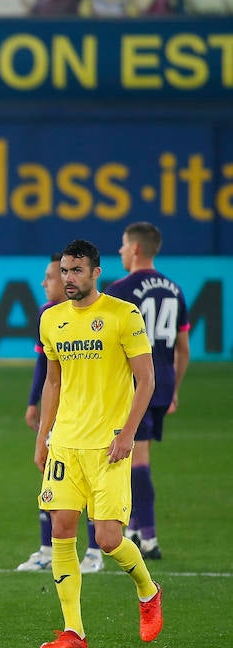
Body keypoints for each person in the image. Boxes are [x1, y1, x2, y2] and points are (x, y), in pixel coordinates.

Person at [33, 239, 162, 648]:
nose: (68, 279)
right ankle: (74, 630)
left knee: (107, 539)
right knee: (61, 529)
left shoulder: (123, 315)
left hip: (108, 446)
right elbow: (53, 382)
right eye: (64, 271)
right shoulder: (52, 320)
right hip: (66, 445)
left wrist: (128, 434)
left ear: (95, 273)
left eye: (76, 271)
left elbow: (147, 380)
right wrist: (44, 437)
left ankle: (147, 590)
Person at [104, 222, 190, 561]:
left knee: (134, 457)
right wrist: (175, 389)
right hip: (163, 381)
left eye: (123, 245)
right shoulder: (174, 289)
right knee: (140, 455)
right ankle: (138, 527)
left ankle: (149, 537)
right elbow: (183, 348)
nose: (121, 251)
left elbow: (108, 345)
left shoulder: (121, 289)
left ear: (136, 248)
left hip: (135, 384)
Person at [17, 255, 104, 574]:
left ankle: (95, 552)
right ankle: (48, 549)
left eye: (51, 276)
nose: (46, 282)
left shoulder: (98, 314)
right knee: (51, 479)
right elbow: (45, 368)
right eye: (56, 274)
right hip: (62, 413)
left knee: (94, 482)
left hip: (92, 414)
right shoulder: (48, 316)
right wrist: (33, 404)